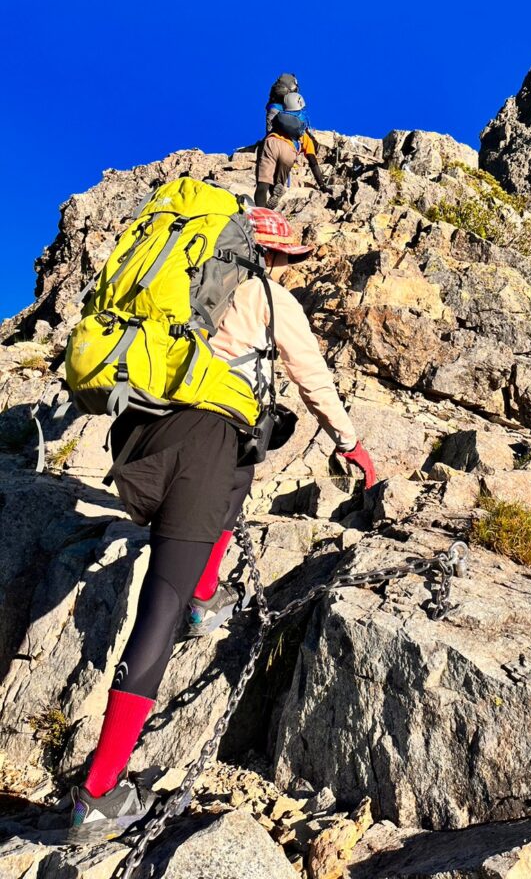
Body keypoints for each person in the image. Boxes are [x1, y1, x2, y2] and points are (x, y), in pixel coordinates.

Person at [68, 207, 376, 842]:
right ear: (276, 256)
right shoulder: (272, 299)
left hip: (145, 432)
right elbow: (312, 377)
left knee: (226, 493)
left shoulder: (183, 291)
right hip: (209, 440)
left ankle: (206, 601)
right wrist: (351, 442)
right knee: (162, 601)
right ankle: (99, 794)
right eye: (290, 258)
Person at [255, 106, 329, 207]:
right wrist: (322, 185)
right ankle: (277, 188)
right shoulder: (306, 138)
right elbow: (313, 163)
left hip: (271, 143)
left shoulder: (283, 124)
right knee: (279, 181)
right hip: (289, 151)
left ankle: (260, 211)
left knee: (263, 183)